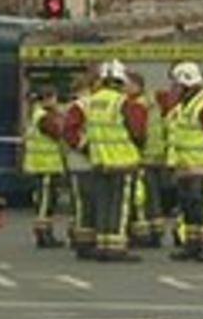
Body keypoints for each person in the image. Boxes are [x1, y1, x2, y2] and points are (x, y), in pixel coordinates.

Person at [84, 59, 147, 262]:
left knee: (103, 204)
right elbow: (137, 132)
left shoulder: (92, 101)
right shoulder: (123, 103)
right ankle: (116, 247)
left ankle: (102, 244)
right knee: (120, 206)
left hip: (99, 161)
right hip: (122, 161)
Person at [166, 61, 203, 263]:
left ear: (186, 84)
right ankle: (192, 246)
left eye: (176, 85)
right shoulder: (185, 106)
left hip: (201, 167)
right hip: (185, 167)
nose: (173, 89)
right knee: (190, 210)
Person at [126, 72, 167, 249]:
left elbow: (137, 132)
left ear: (136, 85)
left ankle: (143, 234)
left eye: (126, 84)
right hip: (156, 155)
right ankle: (156, 232)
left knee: (141, 198)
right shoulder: (152, 102)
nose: (123, 88)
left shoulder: (137, 105)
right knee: (153, 197)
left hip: (142, 157)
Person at [22, 86, 66, 248]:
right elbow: (57, 132)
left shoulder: (35, 114)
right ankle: (44, 236)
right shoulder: (44, 117)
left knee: (45, 201)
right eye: (54, 98)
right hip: (46, 165)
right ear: (48, 99)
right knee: (45, 202)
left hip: (41, 164)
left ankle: (45, 233)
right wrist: (60, 118)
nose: (56, 102)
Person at [62, 71, 99, 259]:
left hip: (86, 162)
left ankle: (83, 239)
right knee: (84, 204)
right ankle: (82, 242)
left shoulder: (84, 105)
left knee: (85, 204)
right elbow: (69, 133)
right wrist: (86, 148)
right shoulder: (81, 106)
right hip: (82, 161)